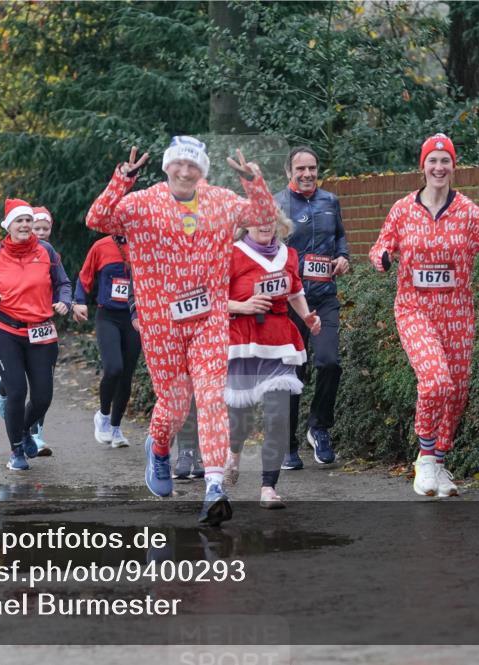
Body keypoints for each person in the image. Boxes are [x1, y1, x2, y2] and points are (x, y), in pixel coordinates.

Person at [86, 136, 279, 526]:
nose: (186, 172)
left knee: (210, 398)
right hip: (161, 322)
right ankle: (158, 448)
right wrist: (121, 180)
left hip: (208, 317)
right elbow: (98, 219)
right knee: (174, 403)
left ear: (203, 171)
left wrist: (254, 181)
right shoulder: (142, 203)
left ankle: (213, 487)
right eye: (180, 164)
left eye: (194, 166)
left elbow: (264, 216)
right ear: (168, 166)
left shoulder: (221, 201)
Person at [368, 133, 479, 497]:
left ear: (453, 166)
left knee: (458, 392)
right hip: (414, 308)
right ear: (423, 167)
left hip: (457, 313)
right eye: (432, 161)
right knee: (436, 382)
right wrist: (383, 258)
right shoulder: (403, 210)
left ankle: (441, 463)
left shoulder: (467, 212)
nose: (438, 167)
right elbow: (380, 245)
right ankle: (425, 457)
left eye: (445, 160)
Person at [224, 215, 320, 508]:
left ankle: (268, 487)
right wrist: (243, 305)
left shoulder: (288, 254)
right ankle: (233, 454)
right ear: (245, 223)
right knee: (240, 420)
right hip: (243, 342)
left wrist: (307, 316)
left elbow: (295, 292)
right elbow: (212, 298)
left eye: (269, 219)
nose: (264, 225)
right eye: (257, 219)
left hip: (279, 340)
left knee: (278, 417)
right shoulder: (233, 253)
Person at [0, 198, 72, 471]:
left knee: (42, 398)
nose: (26, 225)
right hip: (5, 331)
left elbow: (63, 283)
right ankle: (16, 450)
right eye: (20, 221)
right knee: (17, 390)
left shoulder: (47, 252)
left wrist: (65, 301)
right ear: (9, 226)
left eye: (29, 220)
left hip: (41, 332)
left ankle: (26, 430)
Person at [273, 146, 350, 470]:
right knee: (293, 373)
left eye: (312, 168)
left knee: (330, 362)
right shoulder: (278, 204)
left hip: (324, 298)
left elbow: (341, 239)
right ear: (289, 172)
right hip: (291, 302)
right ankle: (287, 444)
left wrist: (344, 258)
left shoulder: (330, 201)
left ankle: (318, 427)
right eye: (300, 168)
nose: (307, 174)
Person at [72, 234, 141, 449]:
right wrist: (79, 302)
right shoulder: (101, 246)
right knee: (114, 368)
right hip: (108, 316)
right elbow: (85, 276)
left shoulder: (145, 243)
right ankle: (103, 415)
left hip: (135, 318)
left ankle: (116, 427)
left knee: (127, 374)